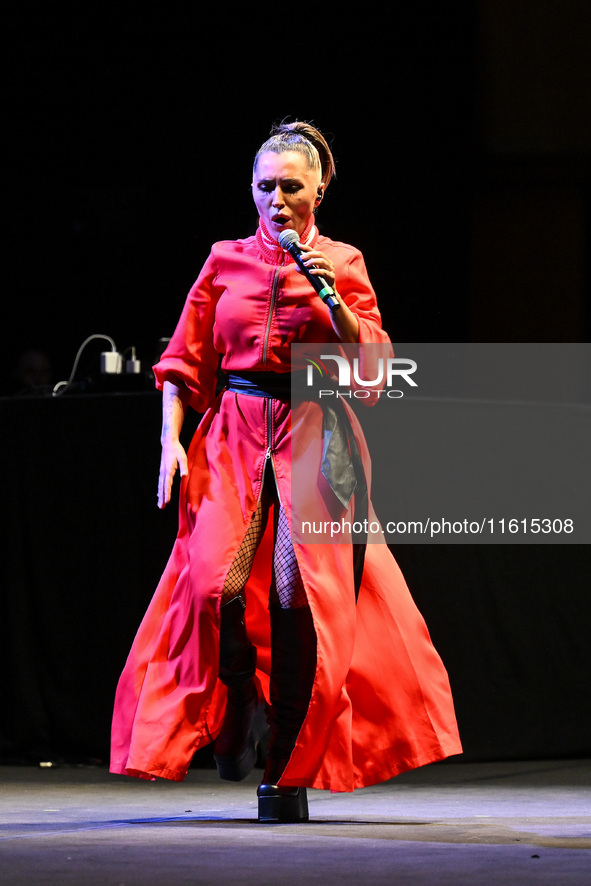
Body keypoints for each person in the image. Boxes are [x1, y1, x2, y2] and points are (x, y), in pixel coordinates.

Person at [110, 121, 462, 822]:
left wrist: (332, 300)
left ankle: (285, 771)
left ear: (318, 189)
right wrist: (168, 442)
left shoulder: (343, 259)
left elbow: (372, 375)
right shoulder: (224, 259)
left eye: (290, 186)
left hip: (315, 432)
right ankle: (239, 699)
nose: (276, 199)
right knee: (214, 588)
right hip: (234, 434)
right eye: (264, 186)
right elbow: (183, 361)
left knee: (302, 604)